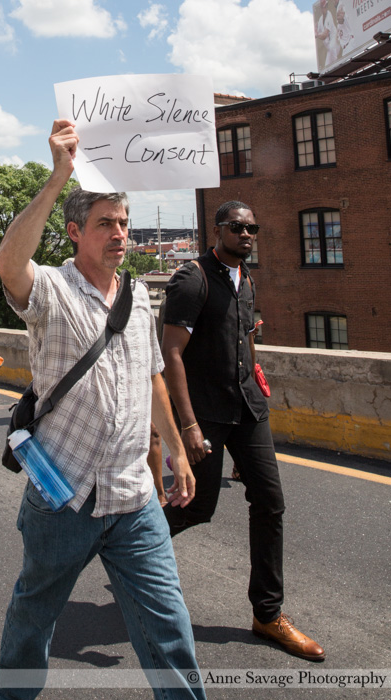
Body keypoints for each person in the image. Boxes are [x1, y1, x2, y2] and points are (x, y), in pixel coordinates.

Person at [0, 119, 206, 700]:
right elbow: (9, 264)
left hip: (134, 497)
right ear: (74, 232)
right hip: (66, 496)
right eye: (106, 223)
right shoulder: (53, 290)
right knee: (33, 619)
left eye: (124, 223)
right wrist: (58, 176)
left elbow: (152, 378)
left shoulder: (138, 297)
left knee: (170, 628)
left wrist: (177, 452)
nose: (120, 234)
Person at [161, 200, 325, 662]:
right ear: (218, 230)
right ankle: (131, 543)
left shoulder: (246, 278)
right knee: (197, 508)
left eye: (253, 227)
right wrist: (187, 425)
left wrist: (255, 374)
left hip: (249, 407)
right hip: (206, 413)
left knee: (270, 502)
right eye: (237, 227)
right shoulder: (192, 279)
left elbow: (247, 336)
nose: (246, 234)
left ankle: (267, 615)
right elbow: (171, 353)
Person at [315, 0, 340, 68]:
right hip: (329, 47)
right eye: (322, 7)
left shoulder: (329, 15)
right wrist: (316, 30)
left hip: (335, 43)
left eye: (325, 6)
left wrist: (317, 35)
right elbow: (317, 31)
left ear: (326, 6)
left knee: (335, 63)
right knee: (326, 68)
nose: (324, 8)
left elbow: (324, 35)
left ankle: (338, 66)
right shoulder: (320, 19)